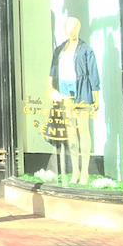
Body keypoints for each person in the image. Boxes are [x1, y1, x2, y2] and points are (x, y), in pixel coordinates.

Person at [47, 16, 101, 185]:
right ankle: (75, 171)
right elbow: (52, 73)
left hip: (82, 91)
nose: (71, 30)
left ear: (78, 28)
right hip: (65, 91)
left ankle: (85, 171)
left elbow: (93, 74)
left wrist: (95, 97)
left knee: (83, 130)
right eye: (69, 27)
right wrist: (51, 89)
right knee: (71, 132)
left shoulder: (86, 50)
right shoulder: (59, 50)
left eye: (74, 26)